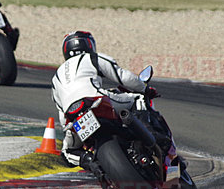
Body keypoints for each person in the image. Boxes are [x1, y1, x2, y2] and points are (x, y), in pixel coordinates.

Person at [51, 31, 183, 171]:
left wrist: (71, 129)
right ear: (90, 45)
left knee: (67, 152)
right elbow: (123, 77)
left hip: (73, 115)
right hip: (95, 99)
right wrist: (144, 89)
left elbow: (62, 116)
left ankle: (93, 165)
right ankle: (152, 134)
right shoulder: (92, 57)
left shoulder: (55, 80)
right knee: (138, 99)